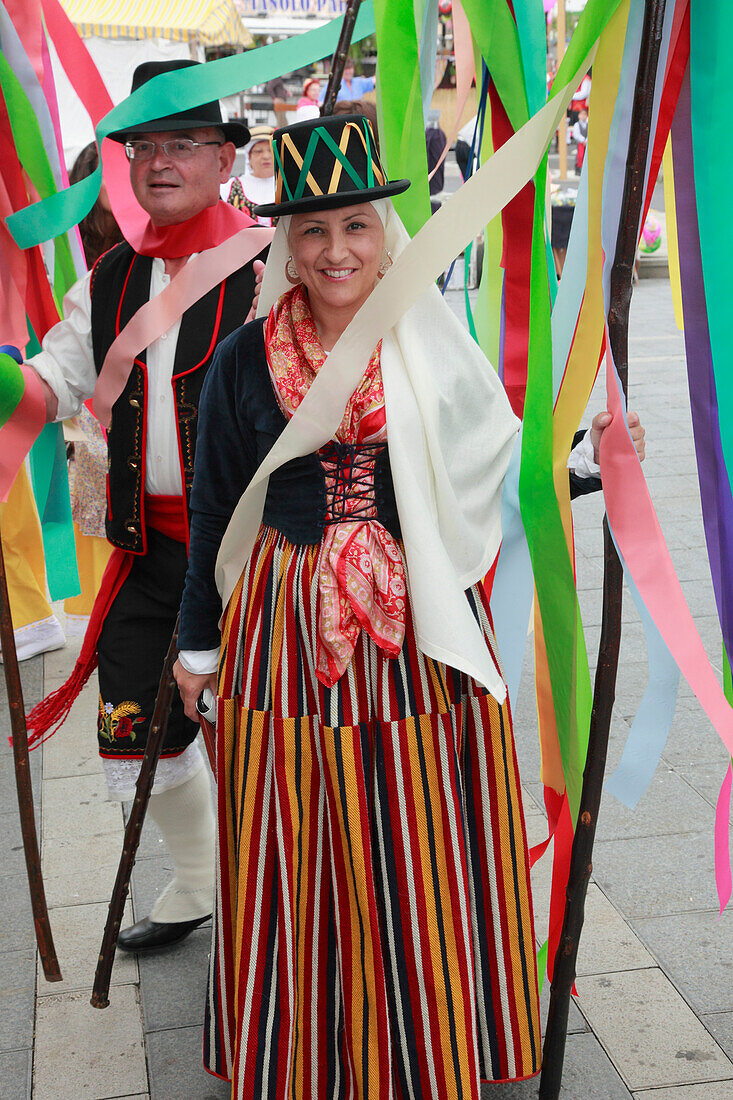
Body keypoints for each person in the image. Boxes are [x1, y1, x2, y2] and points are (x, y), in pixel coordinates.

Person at [174, 112, 542, 1095]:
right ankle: (304, 1039)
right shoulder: (242, 363)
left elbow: (496, 465)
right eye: (313, 231)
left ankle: (433, 1033)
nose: (336, 251)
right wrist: (196, 646)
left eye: (355, 227)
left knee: (418, 818)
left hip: (419, 614)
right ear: (287, 246)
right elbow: (215, 507)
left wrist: (591, 460)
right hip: (285, 621)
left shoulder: (434, 338)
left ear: (386, 230)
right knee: (296, 826)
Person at [23, 58, 267, 954]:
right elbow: (53, 382)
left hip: (250, 556)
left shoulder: (271, 266)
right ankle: (202, 880)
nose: (160, 161)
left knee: (258, 729)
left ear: (221, 157)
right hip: (146, 550)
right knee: (136, 725)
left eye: (184, 143)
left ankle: (274, 892)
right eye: (143, 146)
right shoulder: (111, 277)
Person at [221, 124, 276, 225]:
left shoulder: (289, 188)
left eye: (271, 150)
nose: (266, 156)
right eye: (259, 151)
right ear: (249, 157)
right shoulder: (229, 188)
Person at [571, 107, 589, 173]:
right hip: (580, 142)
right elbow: (576, 134)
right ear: (579, 115)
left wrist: (586, 140)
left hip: (587, 142)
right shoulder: (577, 124)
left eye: (585, 114)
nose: (583, 116)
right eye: (581, 114)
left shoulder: (589, 123)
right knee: (579, 155)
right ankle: (578, 168)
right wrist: (583, 140)